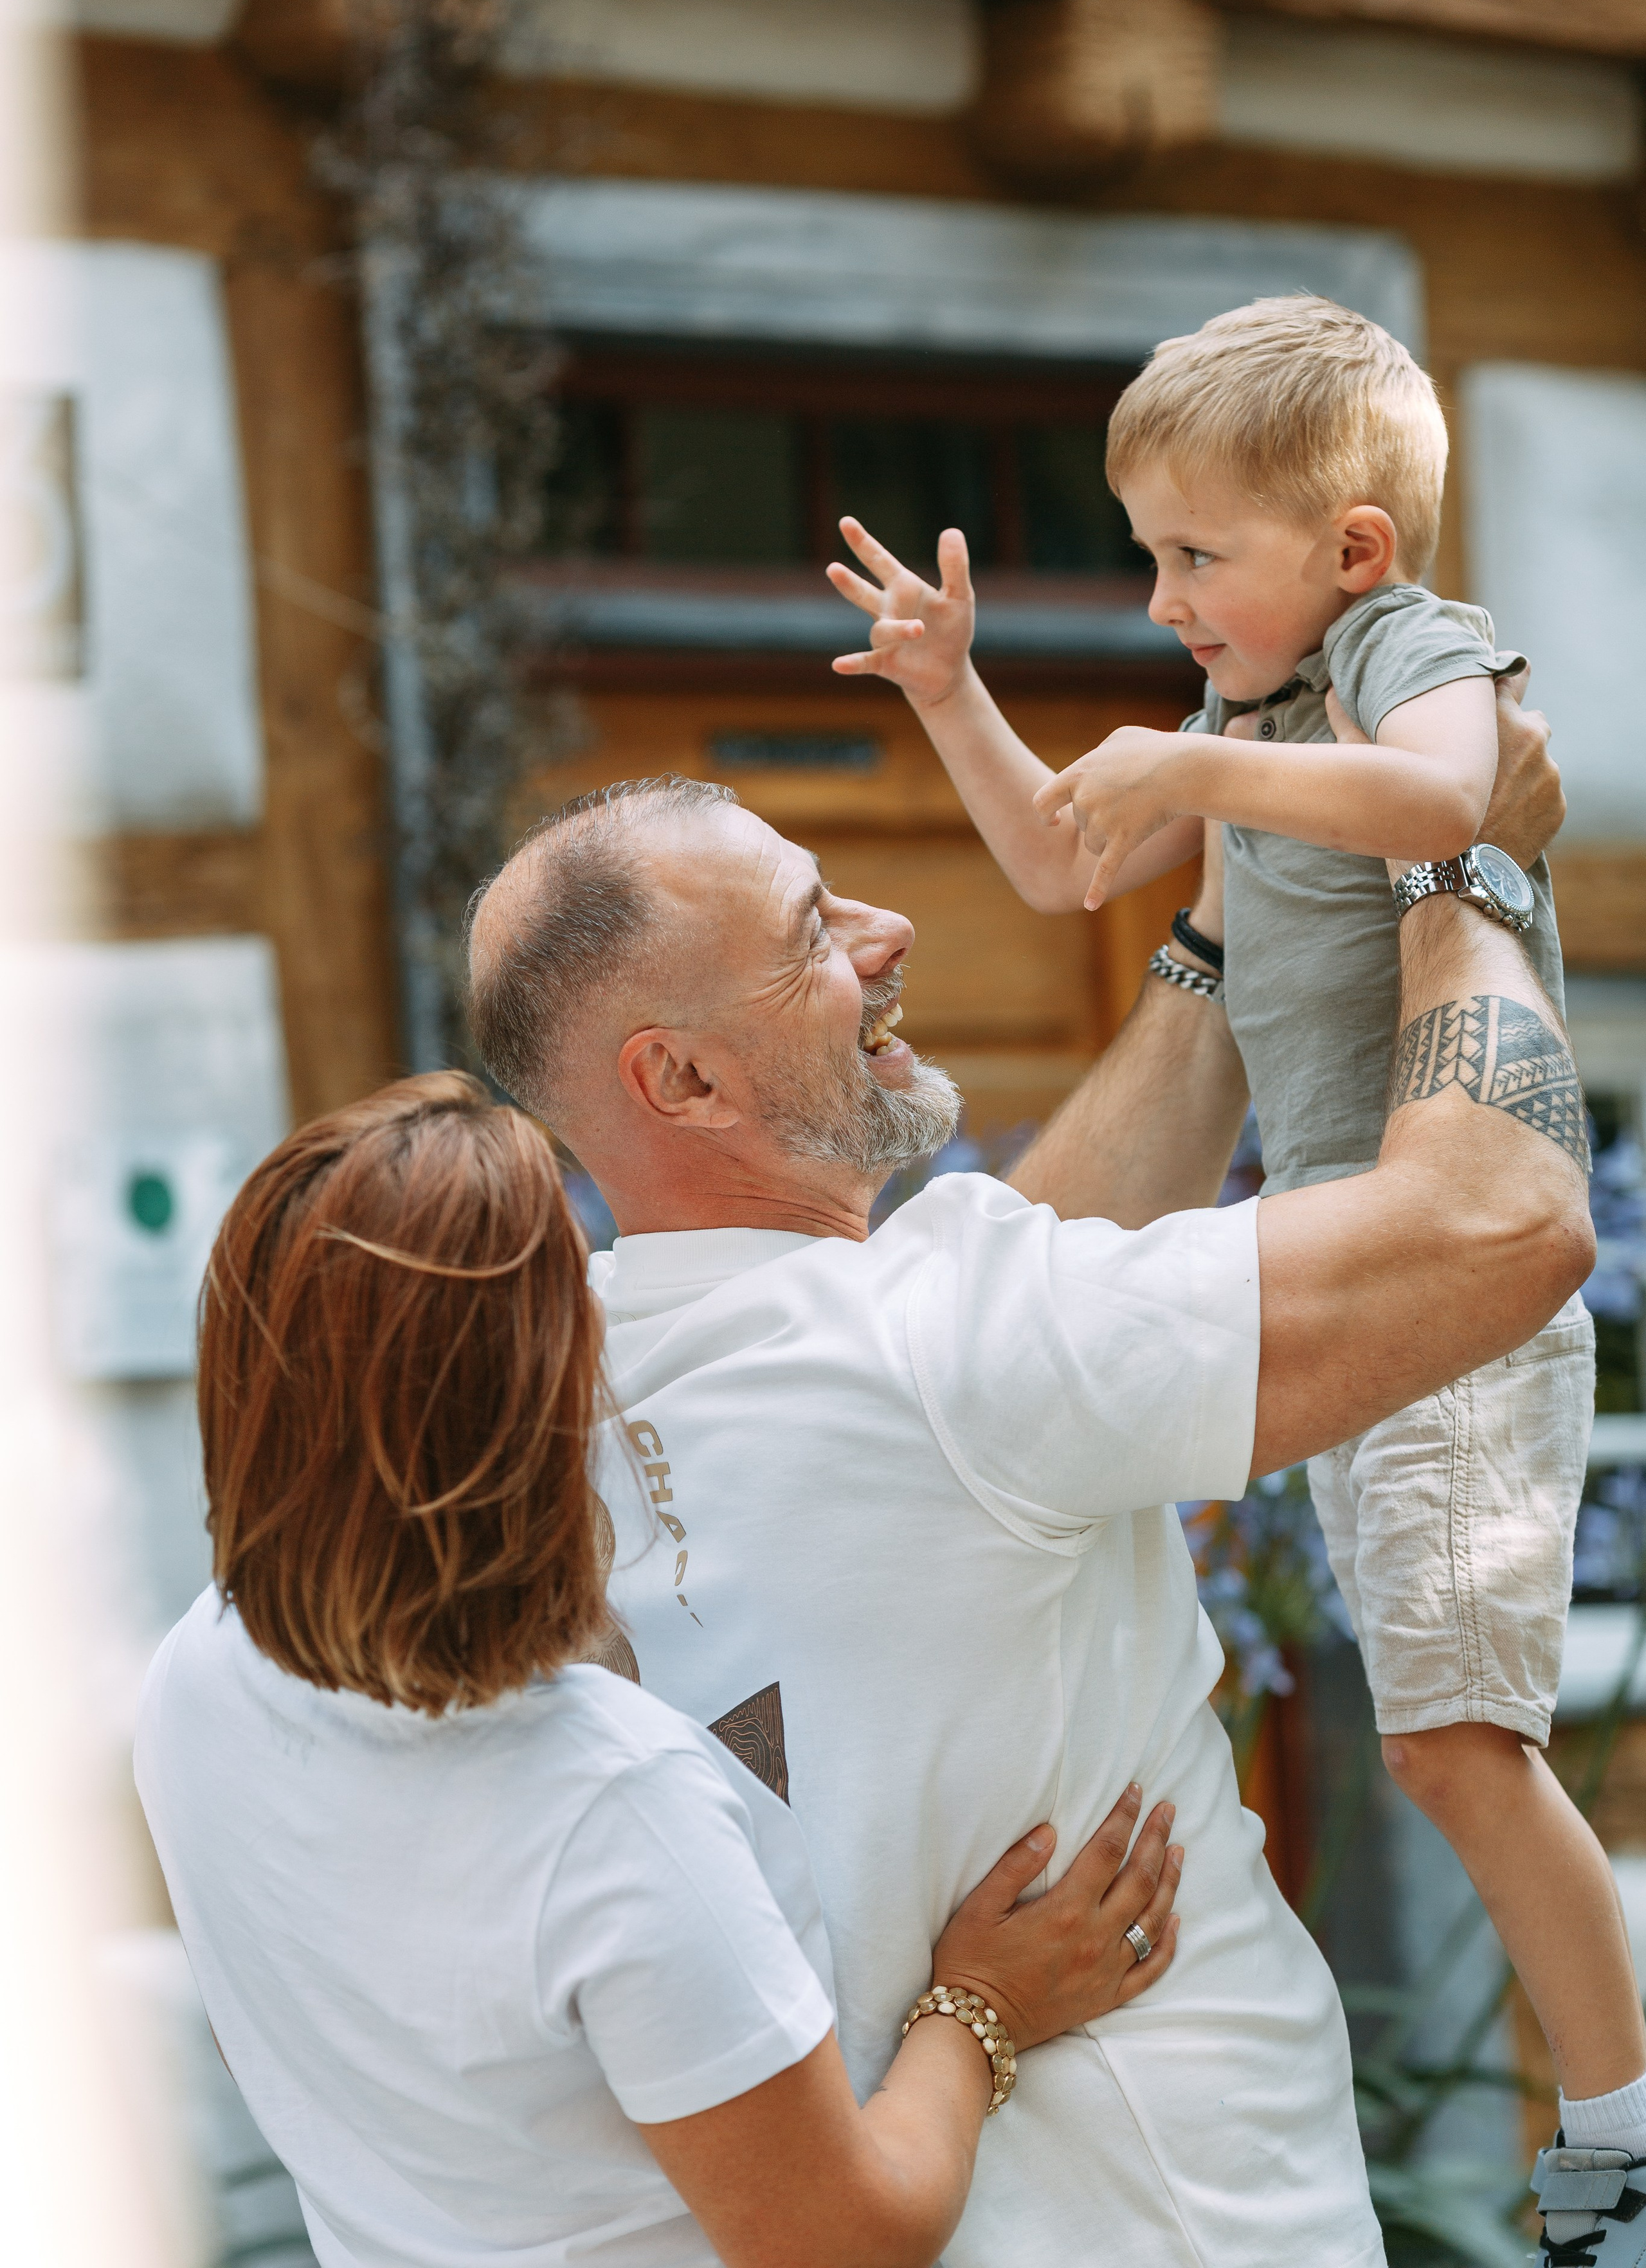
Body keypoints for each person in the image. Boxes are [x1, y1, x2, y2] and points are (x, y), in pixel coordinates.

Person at [465, 667, 1591, 2267]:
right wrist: (1456, 861)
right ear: (686, 1082)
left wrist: (1221, 939)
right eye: (808, 934)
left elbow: (1016, 1326)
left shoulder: (566, 1369)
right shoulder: (947, 1351)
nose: (884, 930)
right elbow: (1507, 1227)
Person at [823, 292, 1640, 2250]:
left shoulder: (1395, 649)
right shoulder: (1234, 723)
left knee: (1456, 1746)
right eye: (1153, 557)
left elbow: (1453, 801)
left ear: (1350, 550)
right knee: (1434, 1734)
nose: (1169, 597)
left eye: (1199, 554)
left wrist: (1192, 778)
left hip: (1442, 1252)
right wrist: (953, 695)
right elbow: (1053, 867)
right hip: (1338, 1256)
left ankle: (1620, 2135)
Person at [134, 1072, 1186, 2268]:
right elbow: (845, 2238)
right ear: (542, 1396)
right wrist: (984, 2008)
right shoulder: (607, 1797)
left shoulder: (192, 1683)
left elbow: (276, 2032)